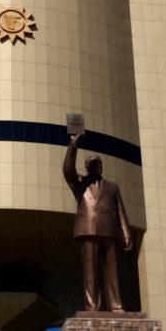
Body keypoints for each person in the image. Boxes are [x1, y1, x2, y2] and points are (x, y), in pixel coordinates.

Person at [63, 132, 133, 312]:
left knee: (113, 272)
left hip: (109, 231)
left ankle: (117, 306)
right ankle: (92, 307)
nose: (96, 166)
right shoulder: (79, 183)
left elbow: (121, 212)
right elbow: (67, 169)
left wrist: (126, 233)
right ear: (86, 167)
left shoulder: (113, 187)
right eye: (92, 164)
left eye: (98, 164)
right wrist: (74, 144)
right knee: (90, 273)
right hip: (88, 230)